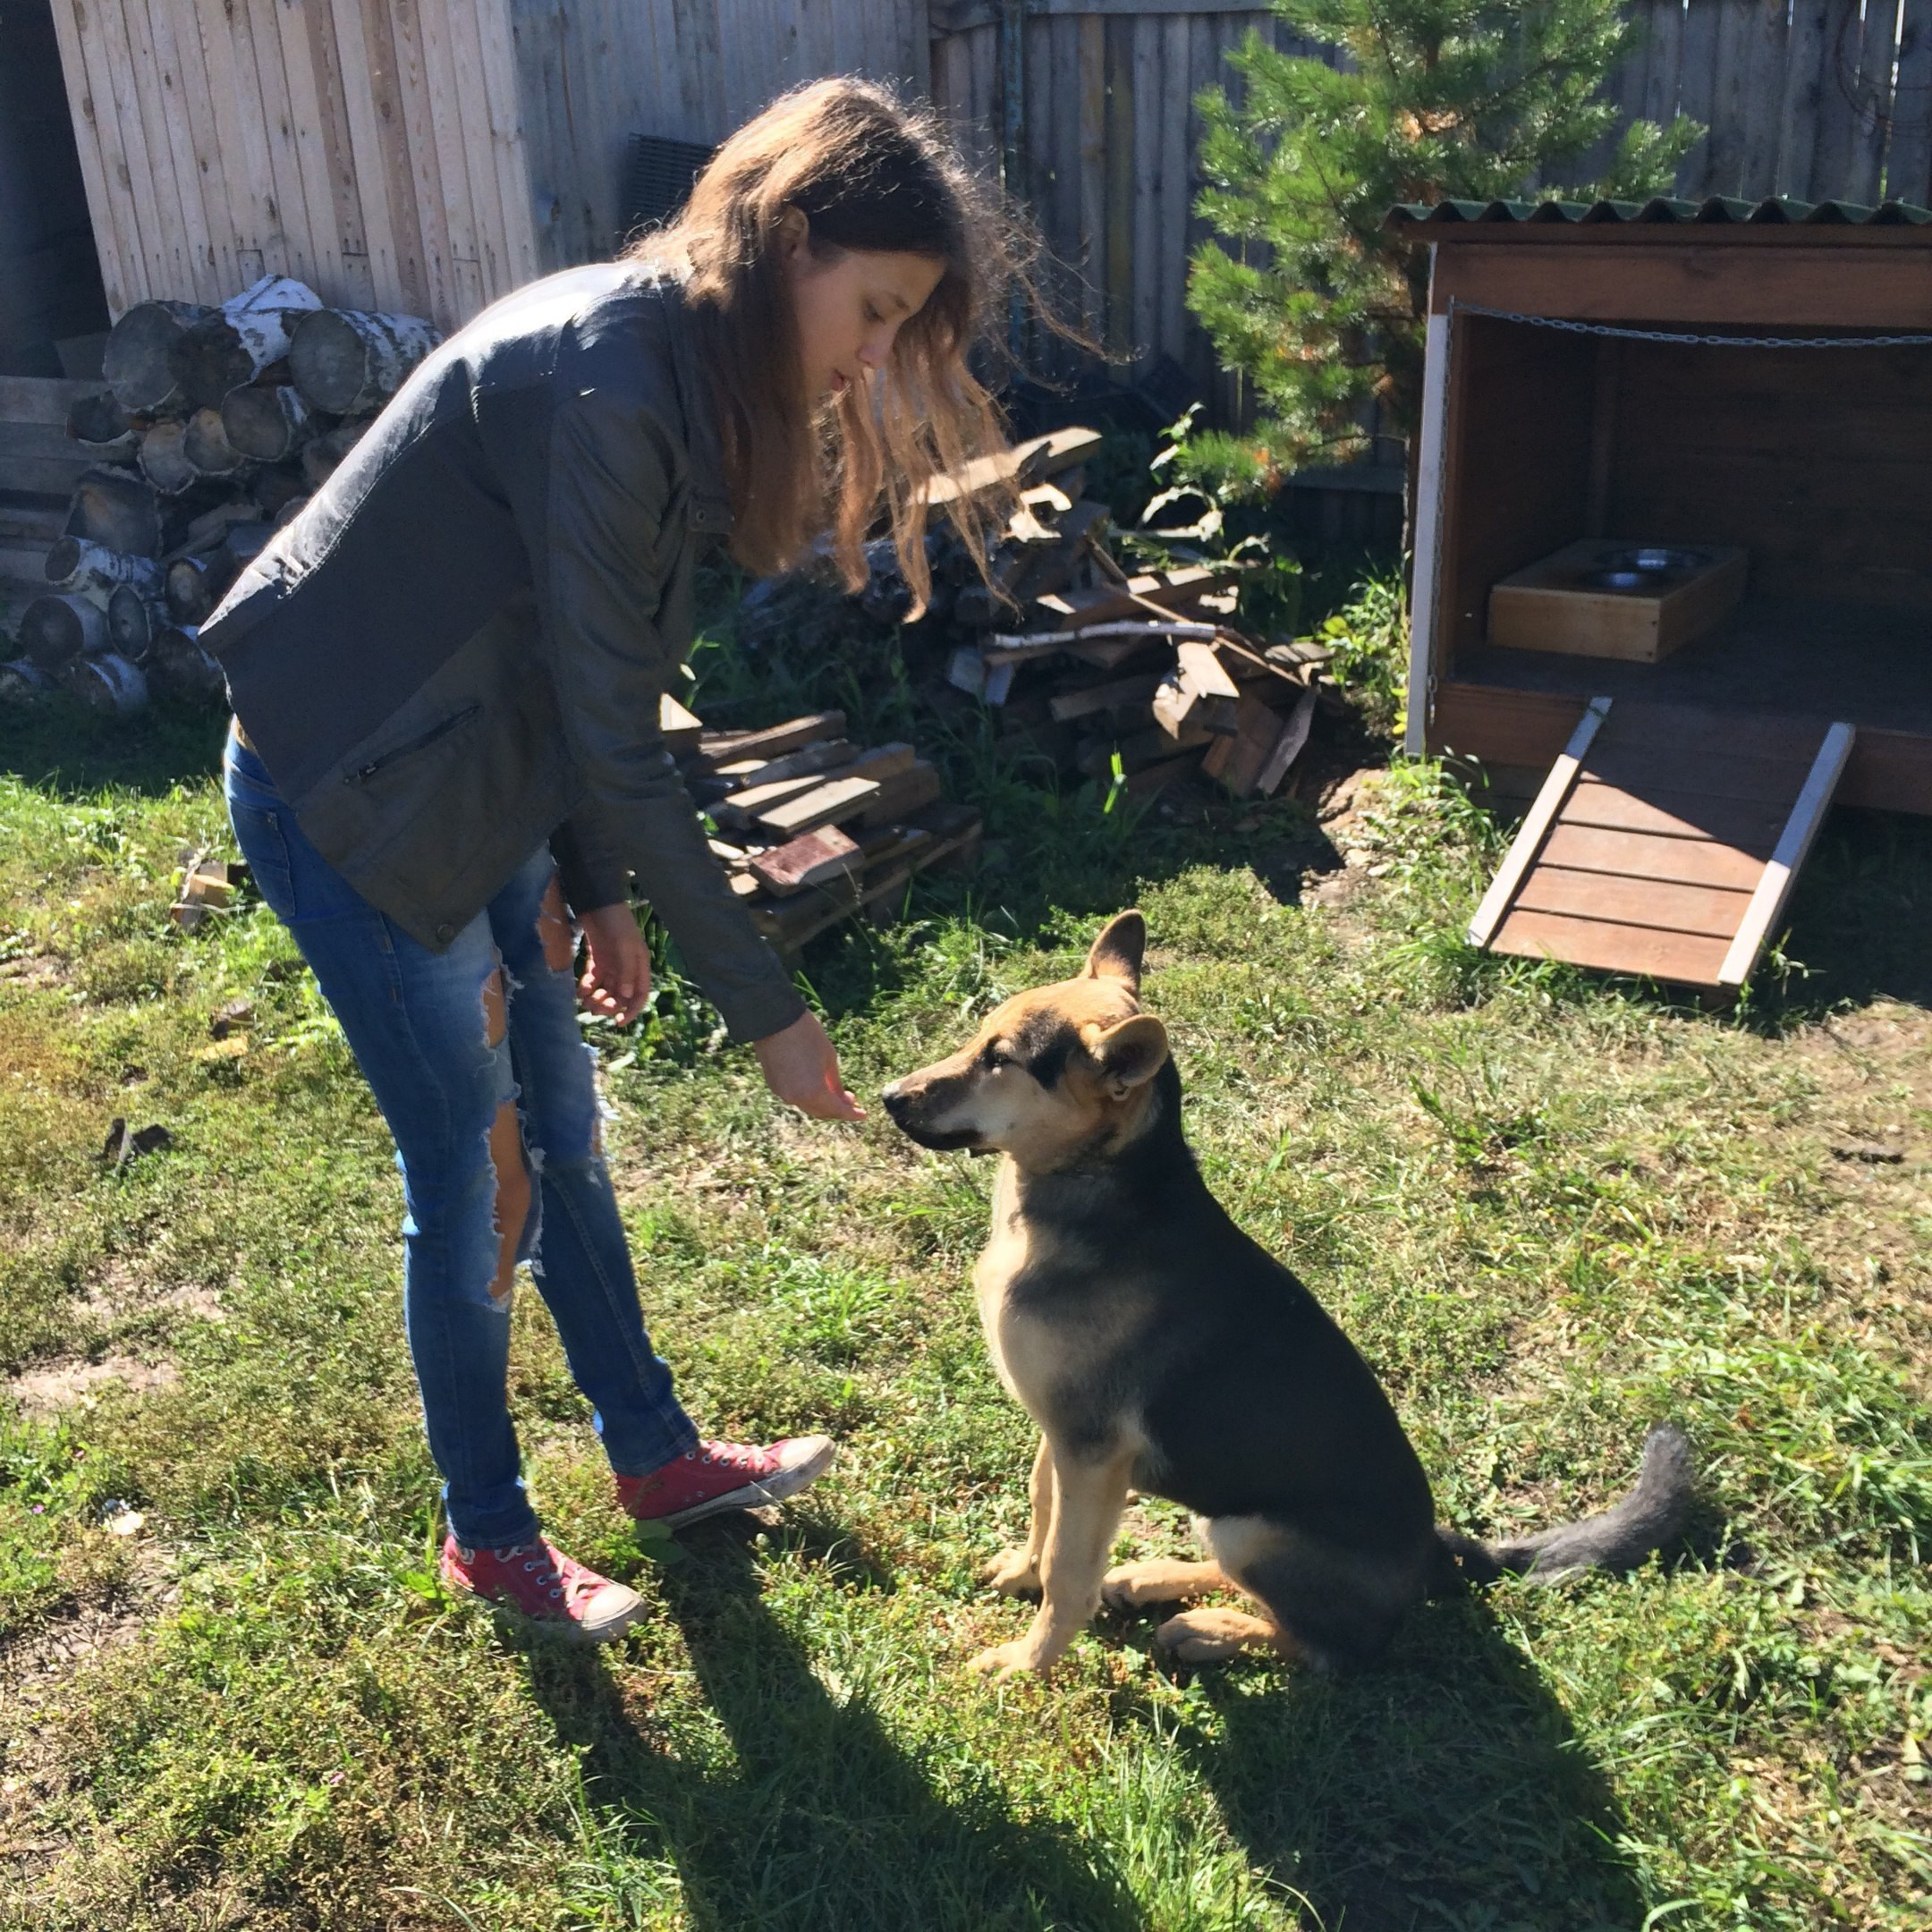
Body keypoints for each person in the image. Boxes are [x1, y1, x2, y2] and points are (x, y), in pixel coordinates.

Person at [202, 80, 1021, 1641]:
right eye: (872, 310)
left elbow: (596, 674)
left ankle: (651, 1457)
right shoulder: (613, 381)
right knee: (478, 1181)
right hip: (352, 800)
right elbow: (609, 730)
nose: (870, 359)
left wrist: (594, 886)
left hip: (477, 772)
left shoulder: (689, 374)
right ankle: (488, 1533)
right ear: (790, 237)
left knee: (562, 1139)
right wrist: (769, 1011)